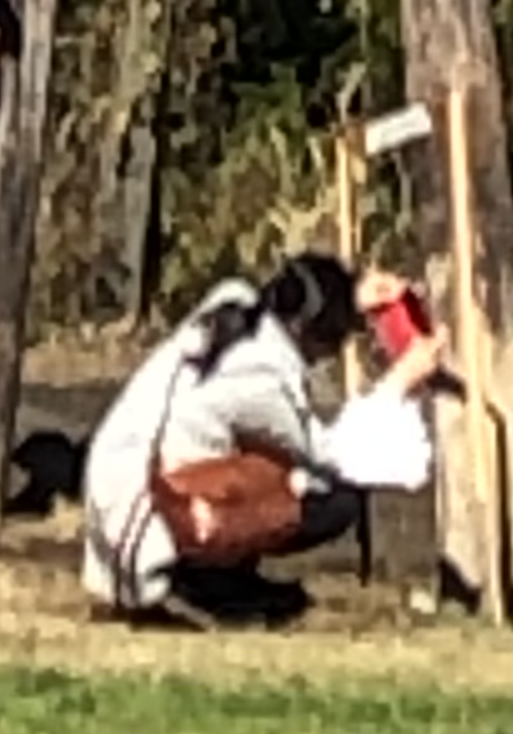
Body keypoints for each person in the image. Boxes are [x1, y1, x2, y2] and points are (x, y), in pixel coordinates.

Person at [79, 250, 444, 623]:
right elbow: (332, 455)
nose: (333, 350)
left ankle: (211, 573)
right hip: (148, 526)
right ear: (309, 331)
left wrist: (354, 295)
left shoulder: (233, 302)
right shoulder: (261, 379)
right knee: (329, 497)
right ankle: (196, 582)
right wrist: (401, 379)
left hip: (118, 490)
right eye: (334, 334)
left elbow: (298, 296)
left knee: (257, 460)